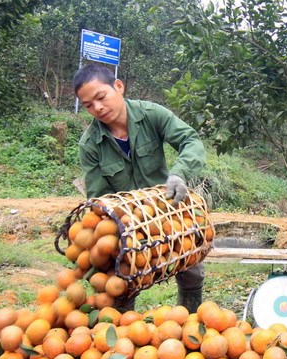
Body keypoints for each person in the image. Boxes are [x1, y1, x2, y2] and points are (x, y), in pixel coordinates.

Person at [73, 63, 206, 313]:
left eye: (101, 97)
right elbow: (99, 197)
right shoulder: (90, 144)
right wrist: (112, 234)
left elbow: (191, 140)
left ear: (119, 86)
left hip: (167, 212)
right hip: (126, 224)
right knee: (120, 283)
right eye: (89, 105)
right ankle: (122, 333)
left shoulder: (152, 115)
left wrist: (180, 174)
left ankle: (190, 321)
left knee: (192, 268)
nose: (98, 108)